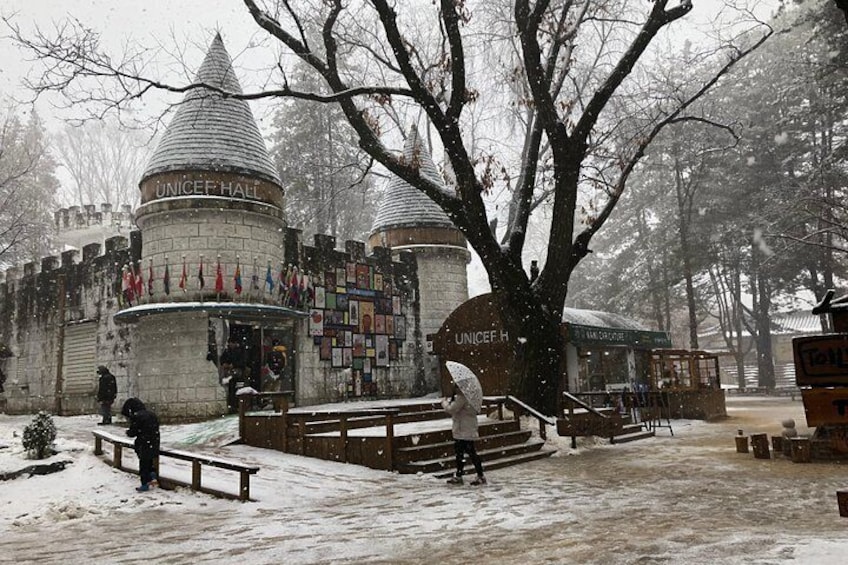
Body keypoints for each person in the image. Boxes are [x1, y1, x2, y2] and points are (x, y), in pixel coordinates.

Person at [442, 383, 486, 486]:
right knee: (468, 453)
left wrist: (444, 402)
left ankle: (463, 475)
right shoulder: (471, 398)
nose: (455, 389)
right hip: (468, 428)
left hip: (462, 430)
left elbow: (451, 409)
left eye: (457, 387)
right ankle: (474, 474)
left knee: (462, 454)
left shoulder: (462, 398)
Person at [121, 397, 160, 492]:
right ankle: (152, 474)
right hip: (154, 441)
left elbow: (133, 432)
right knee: (149, 460)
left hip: (143, 443)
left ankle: (145, 483)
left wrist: (128, 432)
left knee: (143, 464)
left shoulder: (137, 416)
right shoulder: (151, 414)